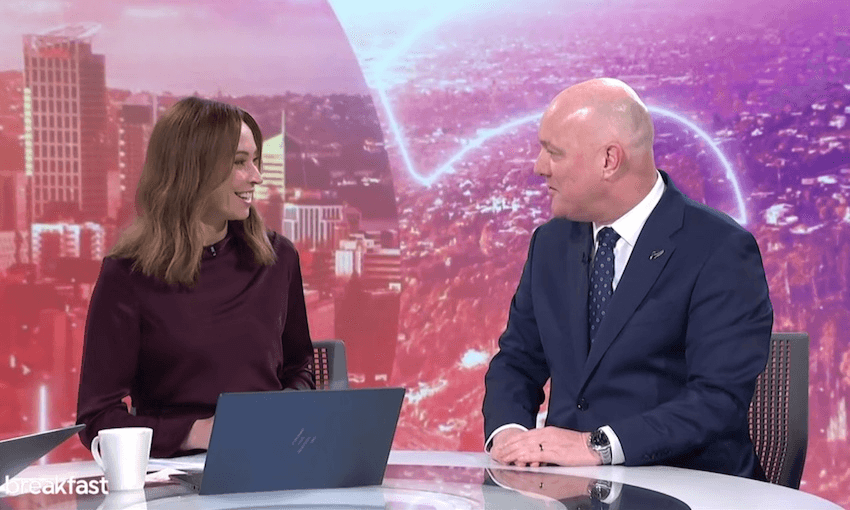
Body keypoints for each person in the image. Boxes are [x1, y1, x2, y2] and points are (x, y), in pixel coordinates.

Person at [482, 78, 773, 479]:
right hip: (571, 489)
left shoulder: (718, 249)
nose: (539, 167)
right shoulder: (550, 243)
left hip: (687, 486)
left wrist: (595, 446)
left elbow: (716, 400)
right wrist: (509, 433)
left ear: (609, 160)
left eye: (554, 152)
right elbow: (517, 361)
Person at [76, 97, 315, 458]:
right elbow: (97, 418)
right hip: (177, 474)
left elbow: (301, 367)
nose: (256, 176)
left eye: (255, 161)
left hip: (273, 458)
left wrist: (282, 411)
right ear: (194, 170)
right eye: (239, 163)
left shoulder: (278, 258)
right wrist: (195, 433)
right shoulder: (128, 275)